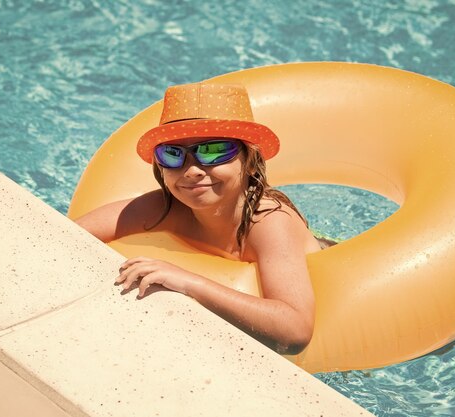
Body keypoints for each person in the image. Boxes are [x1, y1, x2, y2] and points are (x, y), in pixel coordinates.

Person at [75, 82, 322, 354]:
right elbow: (65, 234)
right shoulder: (164, 209)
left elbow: (295, 332)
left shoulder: (269, 221)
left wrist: (188, 281)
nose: (191, 170)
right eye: (172, 154)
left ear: (249, 160)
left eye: (214, 150)